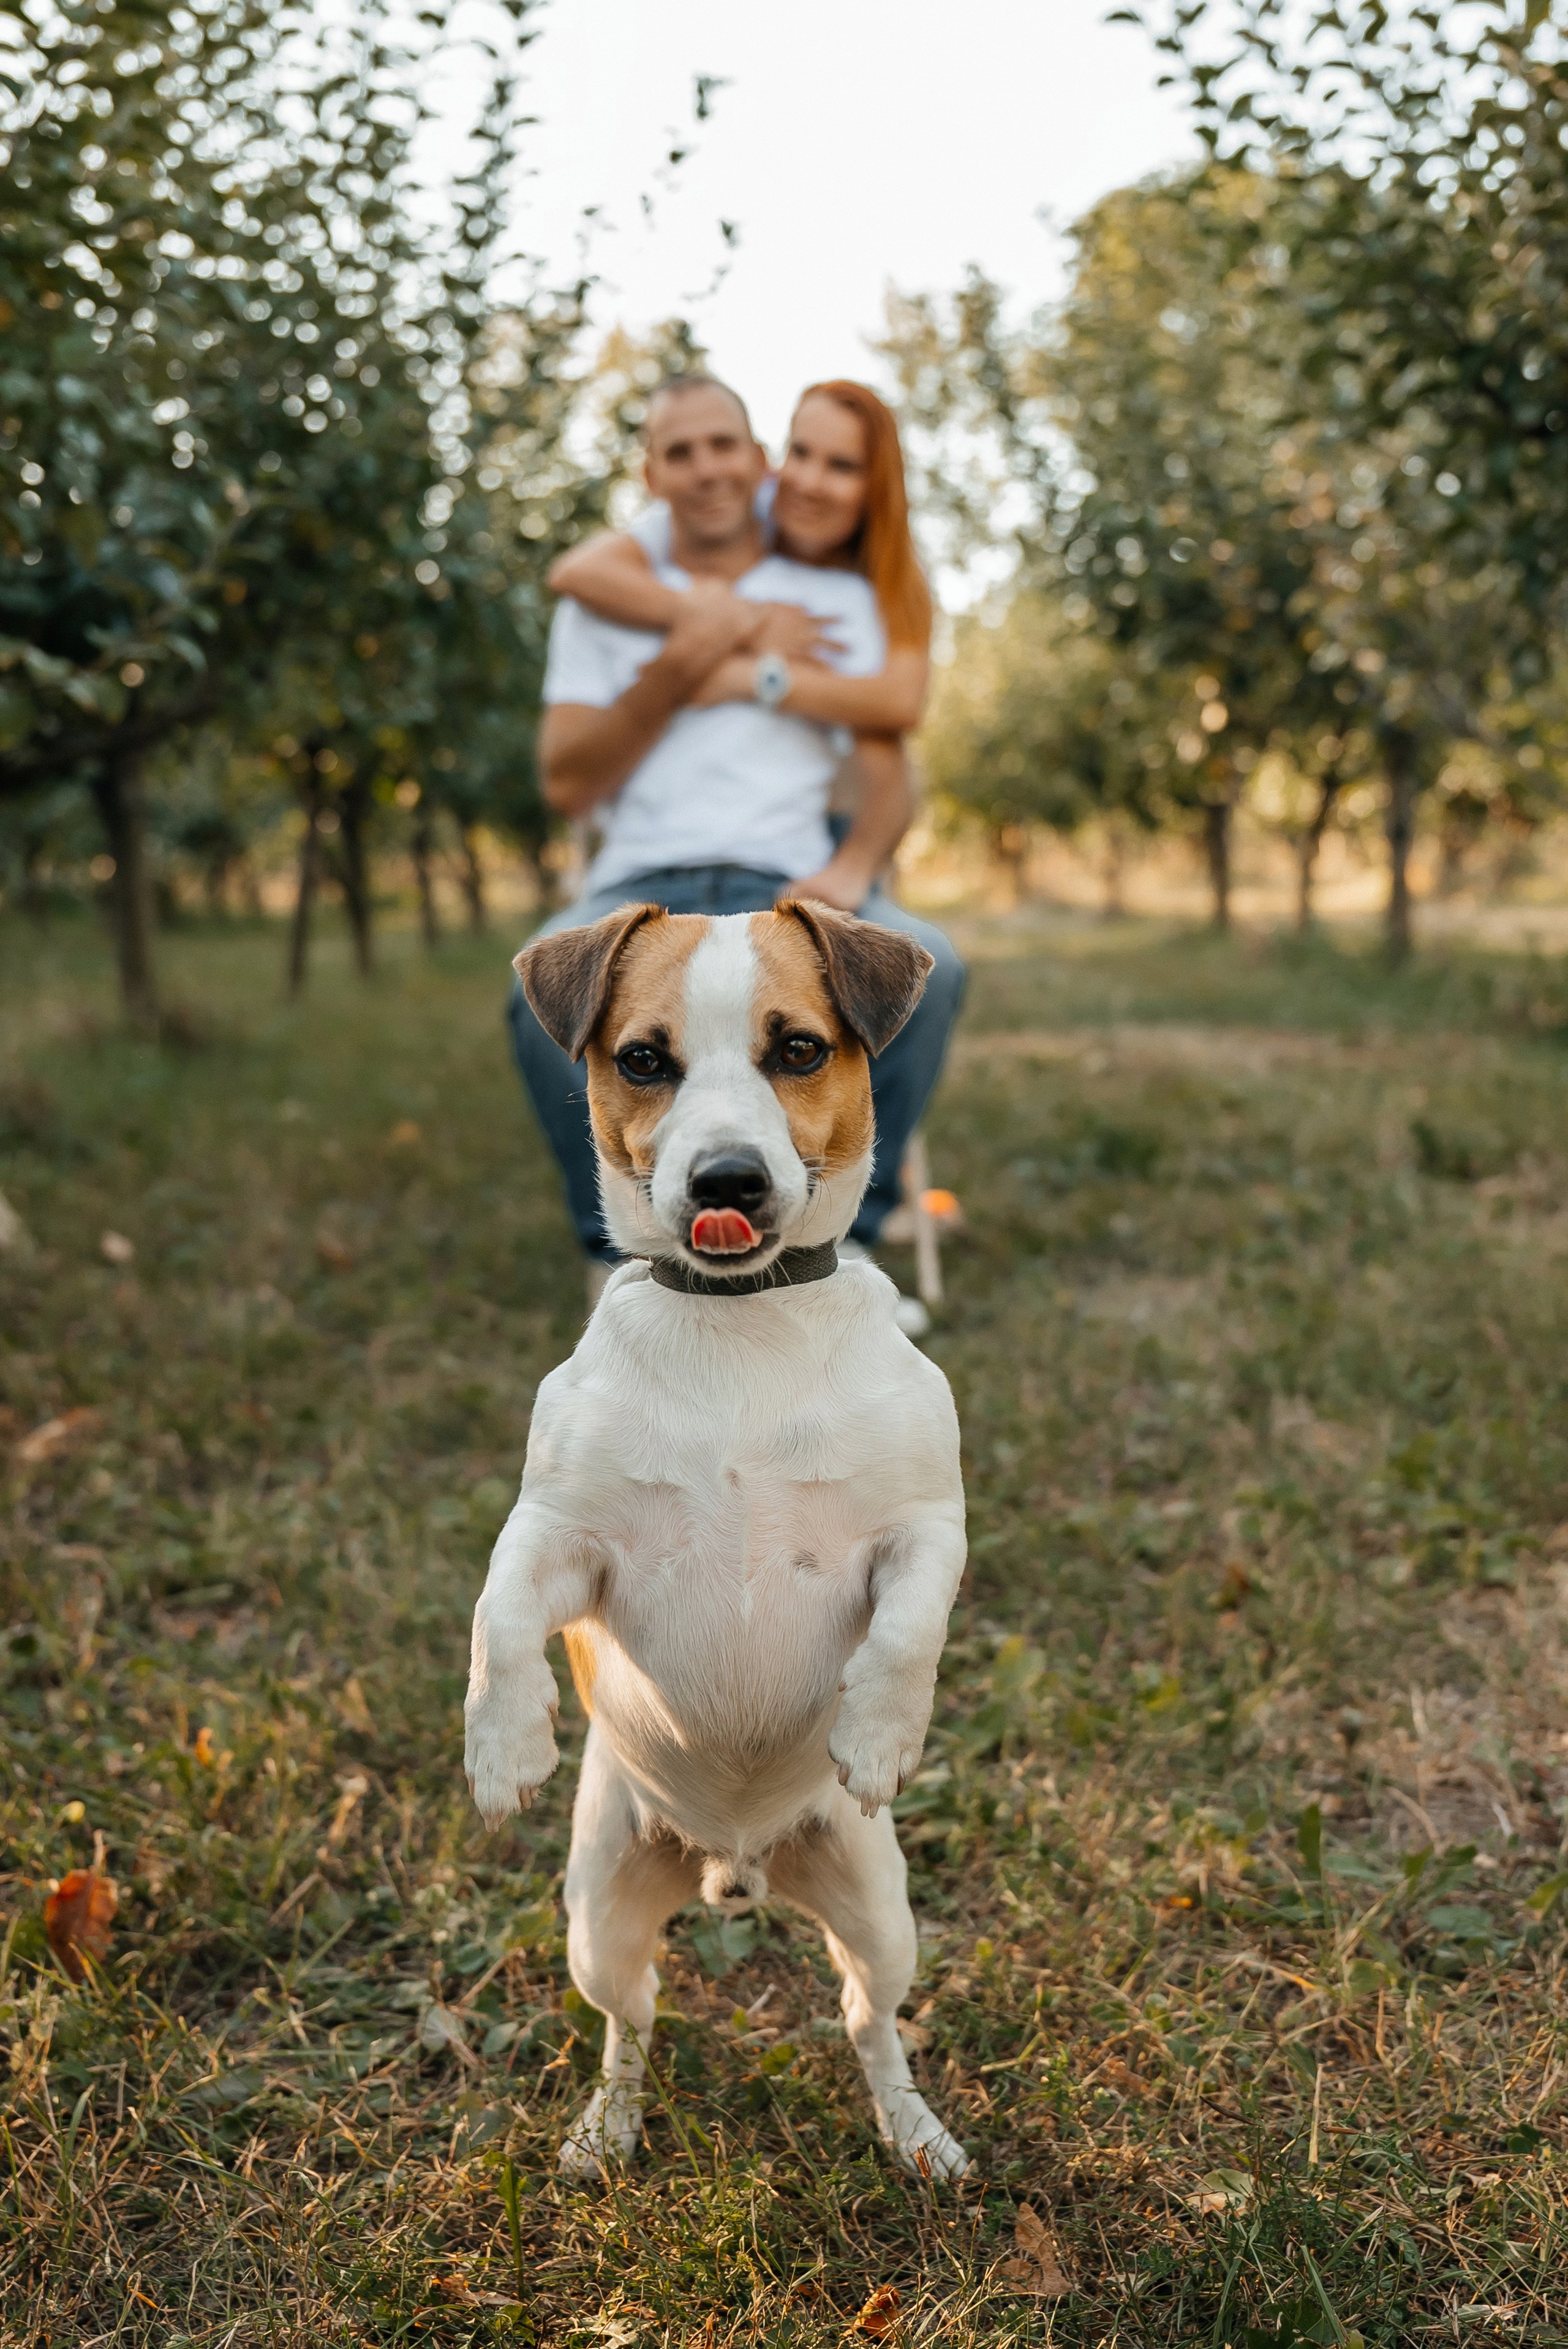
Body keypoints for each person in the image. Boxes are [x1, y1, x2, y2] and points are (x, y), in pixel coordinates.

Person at [509, 372, 964, 1314]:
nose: (706, 469)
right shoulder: (609, 599)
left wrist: (846, 868)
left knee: (941, 969)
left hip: (780, 875)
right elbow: (566, 782)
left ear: (759, 465)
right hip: (641, 874)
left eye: (725, 447)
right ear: (651, 473)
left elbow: (892, 765)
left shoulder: (829, 595)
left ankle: (845, 1239)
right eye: (679, 452)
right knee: (529, 1007)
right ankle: (621, 1251)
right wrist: (688, 651)